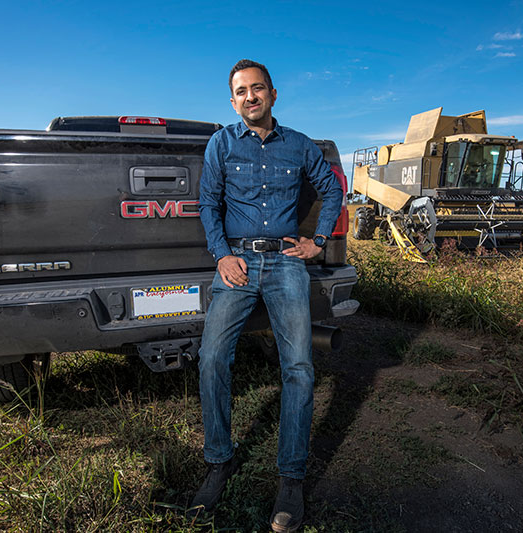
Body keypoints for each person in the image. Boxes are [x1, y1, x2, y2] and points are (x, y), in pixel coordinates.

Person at [190, 59, 342, 532]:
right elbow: (208, 203)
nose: (250, 97)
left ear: (273, 94)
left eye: (258, 89)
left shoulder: (298, 145)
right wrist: (220, 255)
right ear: (233, 101)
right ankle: (219, 461)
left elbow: (333, 191)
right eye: (241, 91)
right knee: (212, 357)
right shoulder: (221, 143)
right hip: (236, 261)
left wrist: (315, 243)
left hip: (286, 262)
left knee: (298, 366)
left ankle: (291, 478)